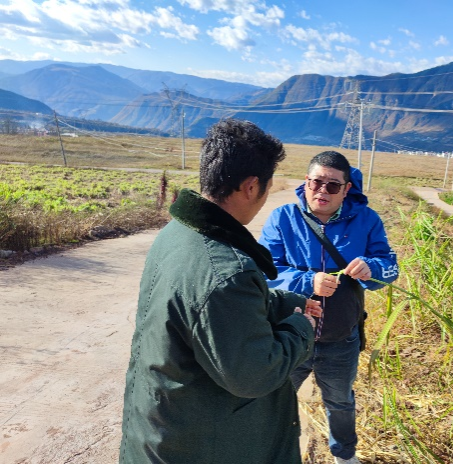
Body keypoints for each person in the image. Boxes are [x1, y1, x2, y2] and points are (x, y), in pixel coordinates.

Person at [119, 119, 322, 464]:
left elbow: (204, 311)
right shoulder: (227, 271)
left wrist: (284, 303)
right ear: (251, 186)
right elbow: (254, 374)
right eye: (268, 187)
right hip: (199, 445)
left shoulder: (178, 233)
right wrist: (302, 328)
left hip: (160, 427)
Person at [259, 151, 399, 464]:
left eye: (333, 185)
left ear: (346, 189)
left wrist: (372, 268)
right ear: (306, 182)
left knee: (340, 402)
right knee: (274, 399)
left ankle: (344, 455)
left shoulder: (367, 220)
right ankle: (274, 453)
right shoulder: (283, 218)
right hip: (289, 336)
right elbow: (265, 272)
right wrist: (307, 281)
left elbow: (390, 267)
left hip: (341, 339)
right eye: (316, 182)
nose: (323, 191)